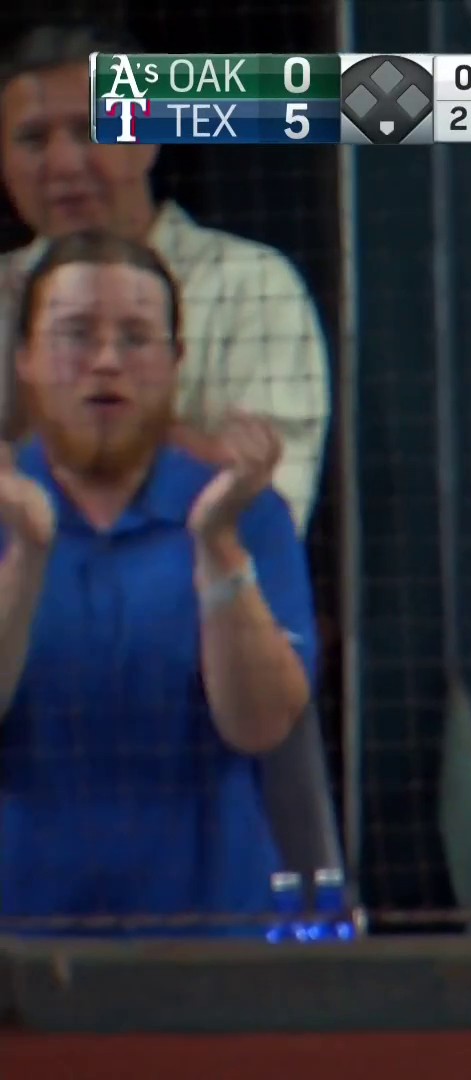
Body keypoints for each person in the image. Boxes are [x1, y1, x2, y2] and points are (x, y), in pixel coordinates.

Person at [0, 231, 318, 935]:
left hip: (207, 953)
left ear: (176, 363)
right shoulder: (4, 503)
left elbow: (263, 724)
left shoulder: (246, 514)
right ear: (25, 358)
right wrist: (26, 551)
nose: (107, 360)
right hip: (15, 957)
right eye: (76, 334)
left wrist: (217, 547)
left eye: (137, 338)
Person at [0, 23, 332, 532]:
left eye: (92, 129)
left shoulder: (250, 285)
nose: (63, 164)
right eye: (32, 139)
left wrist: (78, 413)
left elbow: (271, 516)